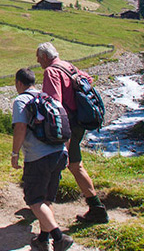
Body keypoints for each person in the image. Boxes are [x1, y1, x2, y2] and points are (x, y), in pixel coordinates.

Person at [37, 42, 108, 223]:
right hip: (79, 122)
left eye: (38, 57)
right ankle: (96, 207)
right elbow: (88, 80)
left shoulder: (51, 72)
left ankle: (42, 205)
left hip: (66, 125)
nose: (37, 61)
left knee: (53, 161)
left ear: (45, 57)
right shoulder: (69, 66)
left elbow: (54, 102)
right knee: (75, 165)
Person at [11, 67, 74, 251]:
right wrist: (67, 152)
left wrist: (15, 154)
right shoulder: (50, 98)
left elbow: (20, 127)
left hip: (38, 156)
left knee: (34, 200)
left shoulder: (21, 100)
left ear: (19, 83)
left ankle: (58, 237)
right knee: (47, 199)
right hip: (60, 152)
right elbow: (65, 126)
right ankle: (43, 239)